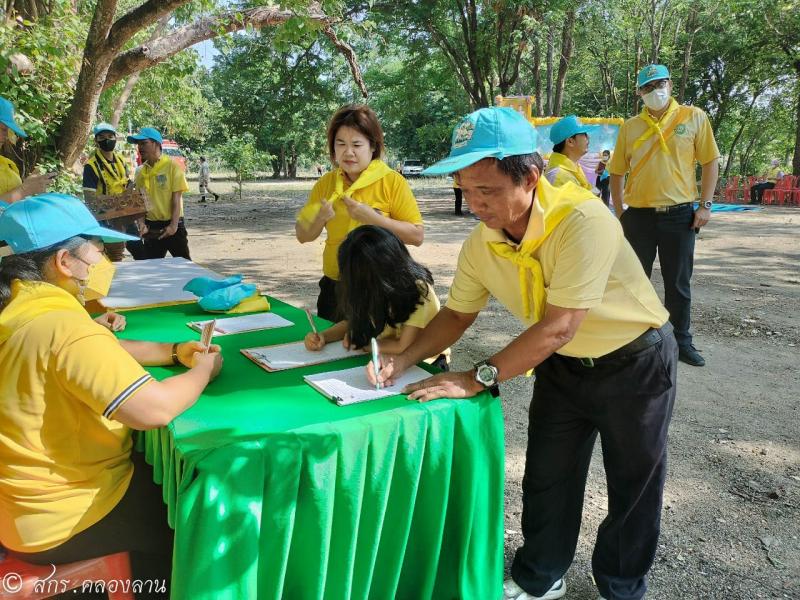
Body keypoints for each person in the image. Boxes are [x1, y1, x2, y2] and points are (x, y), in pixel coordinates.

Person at [368, 107, 676, 600]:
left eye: (486, 190)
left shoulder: (582, 220)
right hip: (562, 367)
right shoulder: (481, 244)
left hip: (634, 361)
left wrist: (479, 376)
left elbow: (557, 326)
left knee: (633, 483)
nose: (475, 204)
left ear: (530, 176)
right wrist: (405, 359)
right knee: (548, 476)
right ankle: (541, 575)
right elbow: (455, 316)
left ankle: (620, 584)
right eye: (466, 190)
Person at [0, 193, 223, 593]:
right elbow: (154, 409)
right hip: (67, 516)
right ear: (64, 261)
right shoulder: (63, 328)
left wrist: (172, 352)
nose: (102, 256)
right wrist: (203, 370)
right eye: (95, 247)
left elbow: (97, 348)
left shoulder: (19, 308)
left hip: (18, 509)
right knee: (194, 521)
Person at [608, 64, 720, 367]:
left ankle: (681, 341)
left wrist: (705, 206)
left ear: (669, 84)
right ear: (639, 93)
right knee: (634, 280)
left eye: (659, 84)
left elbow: (710, 162)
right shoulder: (630, 127)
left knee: (678, 283)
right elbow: (616, 172)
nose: (654, 91)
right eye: (647, 87)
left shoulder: (693, 117)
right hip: (639, 217)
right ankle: (632, 340)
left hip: (680, 216)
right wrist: (621, 213)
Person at [295, 104, 424, 322]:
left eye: (356, 144)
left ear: (373, 147)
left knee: (371, 353)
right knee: (331, 349)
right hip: (334, 287)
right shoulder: (326, 184)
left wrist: (374, 219)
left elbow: (416, 236)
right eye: (340, 144)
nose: (348, 152)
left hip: (380, 287)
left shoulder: (392, 181)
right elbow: (302, 235)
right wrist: (319, 219)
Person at [304, 225, 448, 370]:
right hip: (383, 355)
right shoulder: (372, 289)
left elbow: (403, 346)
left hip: (424, 365)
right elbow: (351, 322)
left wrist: (363, 344)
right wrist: (323, 337)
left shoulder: (419, 291)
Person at [128, 127, 191, 260]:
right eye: (138, 144)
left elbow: (176, 199)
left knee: (184, 266)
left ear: (156, 144)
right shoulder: (140, 172)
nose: (140, 147)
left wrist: (173, 226)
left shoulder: (172, 167)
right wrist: (141, 224)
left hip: (173, 225)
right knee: (151, 267)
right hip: (152, 228)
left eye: (144, 143)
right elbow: (140, 200)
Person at [82, 122, 134, 262]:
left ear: (115, 138)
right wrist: (112, 201)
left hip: (125, 212)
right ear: (96, 141)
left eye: (110, 136)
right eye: (102, 137)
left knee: (139, 248)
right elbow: (90, 198)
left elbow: (128, 183)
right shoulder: (91, 166)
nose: (107, 140)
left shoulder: (121, 161)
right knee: (113, 255)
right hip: (105, 217)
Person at [0, 96, 52, 206]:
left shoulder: (7, 164)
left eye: (7, 131)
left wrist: (32, 189)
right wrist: (24, 190)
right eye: (3, 129)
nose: (5, 137)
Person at [544, 115, 592, 190]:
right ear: (570, 141)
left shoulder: (574, 166)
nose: (588, 137)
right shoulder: (557, 176)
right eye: (584, 134)